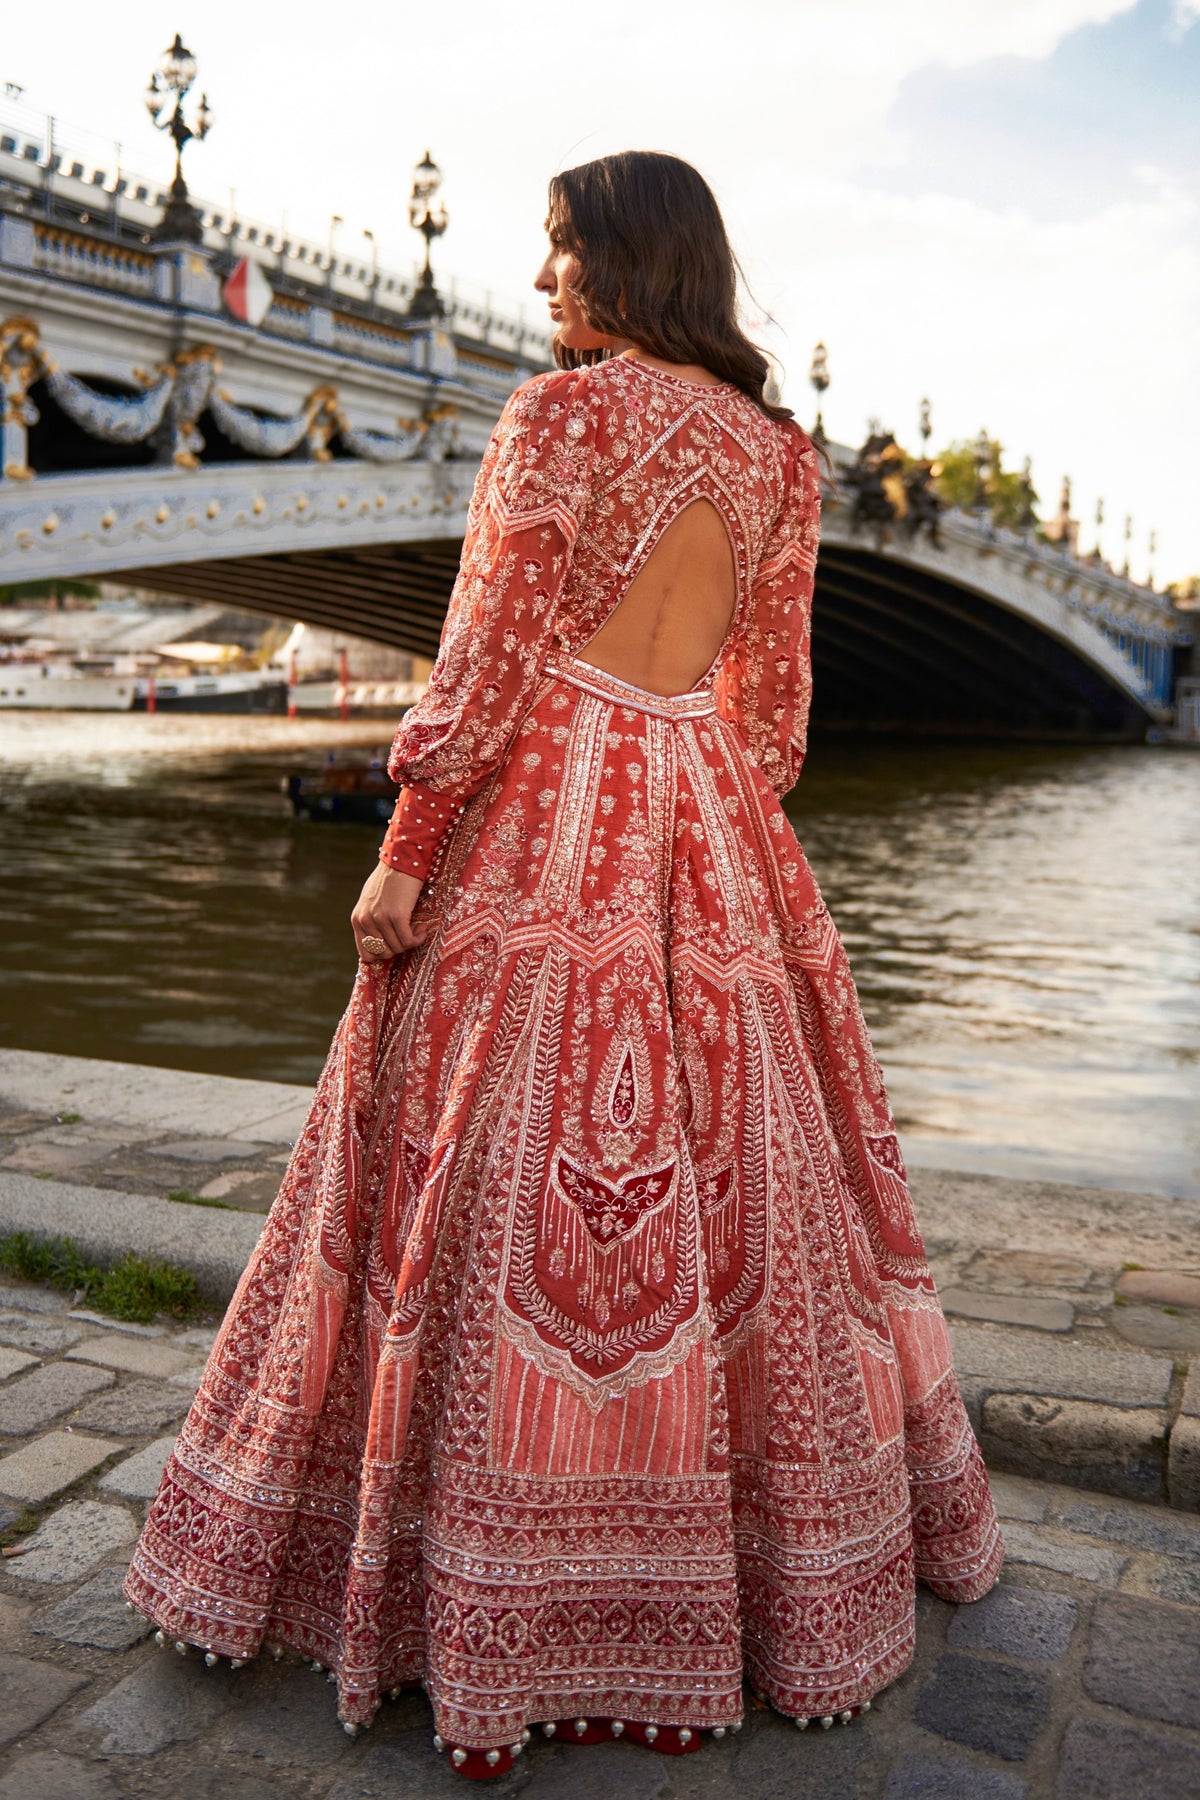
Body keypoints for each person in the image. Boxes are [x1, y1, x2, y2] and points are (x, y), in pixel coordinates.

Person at [125, 149, 1002, 1781]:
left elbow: (490, 650)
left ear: (624, 259)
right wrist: (698, 804)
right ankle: (749, 1584)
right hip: (706, 808)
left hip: (544, 806)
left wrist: (407, 848)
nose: (540, 283)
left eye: (558, 250)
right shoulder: (779, 457)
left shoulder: (559, 420)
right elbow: (779, 716)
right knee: (749, 1181)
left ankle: (470, 1578)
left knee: (464, 1168)